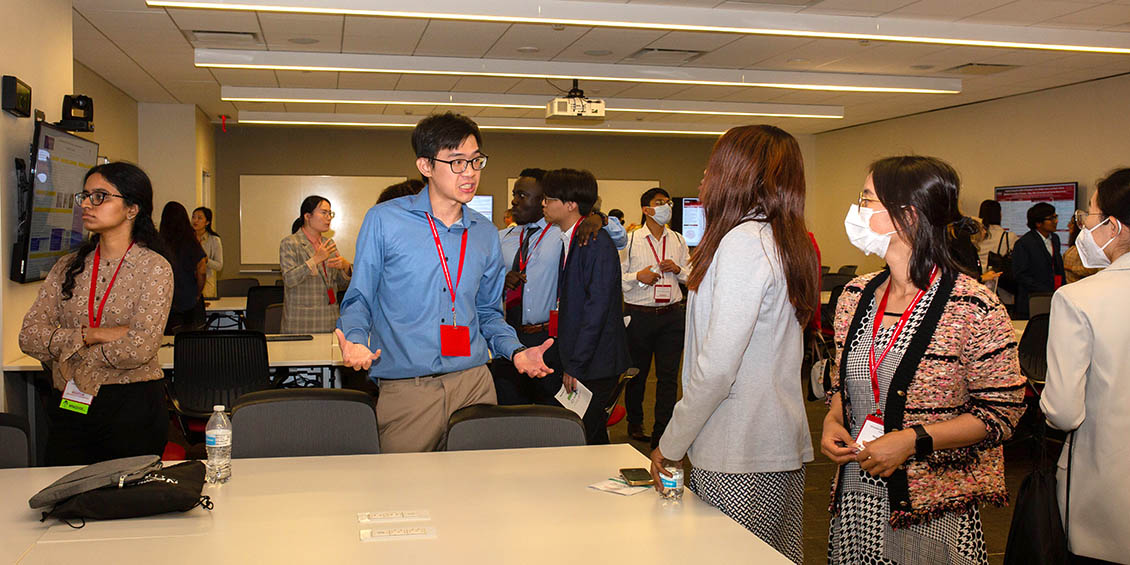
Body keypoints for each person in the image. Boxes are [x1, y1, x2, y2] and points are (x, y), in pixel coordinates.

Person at [822, 156, 1026, 565]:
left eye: (867, 200)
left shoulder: (972, 305)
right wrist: (832, 419)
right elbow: (844, 381)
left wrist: (912, 440)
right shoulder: (854, 296)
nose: (857, 210)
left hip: (934, 508)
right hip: (858, 498)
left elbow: (1002, 413)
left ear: (908, 215)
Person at [647, 125, 816, 563]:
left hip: (736, 449)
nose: (703, 179)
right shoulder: (781, 238)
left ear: (737, 176)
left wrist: (670, 445)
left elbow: (717, 369)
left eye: (712, 168)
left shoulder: (742, 243)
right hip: (771, 440)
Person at [335, 112, 552, 453]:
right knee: (403, 498)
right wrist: (356, 339)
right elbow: (360, 296)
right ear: (425, 165)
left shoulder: (484, 233)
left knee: (476, 493)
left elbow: (487, 312)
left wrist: (517, 351)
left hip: (475, 384)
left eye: (476, 161)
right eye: (456, 162)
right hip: (409, 390)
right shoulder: (385, 220)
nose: (470, 173)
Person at [19, 162, 173, 466]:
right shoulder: (67, 266)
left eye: (100, 196)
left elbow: (140, 348)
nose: (87, 204)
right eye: (86, 196)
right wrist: (90, 336)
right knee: (63, 499)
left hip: (132, 405)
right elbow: (28, 337)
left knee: (127, 504)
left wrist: (69, 348)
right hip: (72, 401)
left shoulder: (154, 268)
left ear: (132, 208)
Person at [1041, 169, 1130, 563]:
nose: (1083, 225)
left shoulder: (1079, 298)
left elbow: (1062, 412)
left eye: (1087, 216)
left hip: (1105, 487)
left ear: (1113, 225)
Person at [541, 168, 631, 445]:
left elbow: (597, 310)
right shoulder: (573, 237)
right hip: (582, 357)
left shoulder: (593, 241)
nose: (544, 204)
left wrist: (576, 365)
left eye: (549, 198)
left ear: (570, 204)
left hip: (594, 363)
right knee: (581, 432)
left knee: (588, 435)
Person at [620, 187, 690, 447]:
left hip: (671, 316)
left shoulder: (678, 240)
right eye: (659, 203)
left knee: (668, 376)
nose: (666, 206)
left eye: (668, 202)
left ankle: (663, 429)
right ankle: (635, 422)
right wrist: (638, 277)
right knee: (637, 373)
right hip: (639, 316)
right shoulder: (630, 240)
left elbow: (692, 276)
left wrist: (679, 270)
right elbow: (618, 277)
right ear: (646, 209)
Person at [493, 168, 564, 405]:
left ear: (544, 200)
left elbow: (617, 237)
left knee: (549, 414)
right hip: (507, 337)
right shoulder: (502, 237)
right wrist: (500, 281)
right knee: (508, 410)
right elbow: (481, 281)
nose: (514, 200)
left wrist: (599, 218)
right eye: (515, 193)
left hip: (546, 338)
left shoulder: (560, 236)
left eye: (522, 195)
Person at [279, 195, 352, 333]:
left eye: (330, 213)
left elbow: (340, 284)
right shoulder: (290, 243)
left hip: (330, 319)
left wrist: (345, 267)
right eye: (324, 213)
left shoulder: (328, 244)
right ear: (307, 216)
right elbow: (289, 279)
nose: (328, 217)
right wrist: (315, 259)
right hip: (302, 322)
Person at [160, 202, 206, 334]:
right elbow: (201, 270)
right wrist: (198, 293)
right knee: (191, 342)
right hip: (189, 299)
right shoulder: (191, 241)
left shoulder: (159, 242)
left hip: (166, 300)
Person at [1012, 201, 1064, 318]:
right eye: (1051, 218)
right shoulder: (1024, 243)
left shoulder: (1055, 239)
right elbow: (1020, 274)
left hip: (1053, 295)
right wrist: (1043, 289)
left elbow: (1057, 267)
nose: (1055, 221)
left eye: (1056, 217)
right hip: (1032, 298)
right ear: (1038, 223)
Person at [976, 199, 1017, 302]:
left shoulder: (975, 235)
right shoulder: (1008, 237)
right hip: (1000, 287)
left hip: (978, 282)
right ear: (1000, 215)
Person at [191, 206, 223, 299]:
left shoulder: (214, 240)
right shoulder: (187, 238)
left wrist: (206, 260)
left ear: (207, 222)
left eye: (199, 218)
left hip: (207, 283)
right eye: (193, 217)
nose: (195, 221)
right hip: (189, 283)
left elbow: (219, 266)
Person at [1063, 215, 1100, 283]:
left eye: (1071, 223)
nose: (1068, 225)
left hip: (1078, 287)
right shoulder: (1073, 247)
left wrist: (1069, 267)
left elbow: (1091, 269)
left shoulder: (1086, 246)